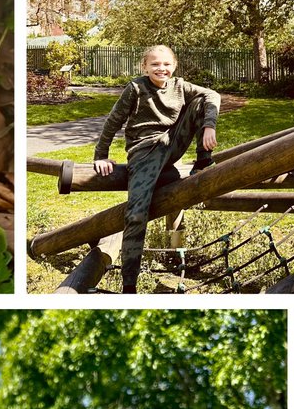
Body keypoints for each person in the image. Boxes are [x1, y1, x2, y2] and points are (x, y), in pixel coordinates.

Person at [93, 45, 219, 293]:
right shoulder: (136, 88)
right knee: (137, 214)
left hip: (171, 144)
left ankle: (203, 162)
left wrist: (209, 126)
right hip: (145, 151)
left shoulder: (180, 86)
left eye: (166, 64)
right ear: (145, 67)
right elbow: (113, 121)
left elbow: (213, 95)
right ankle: (130, 285)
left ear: (174, 66)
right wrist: (101, 155)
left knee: (202, 102)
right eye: (155, 64)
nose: (161, 68)